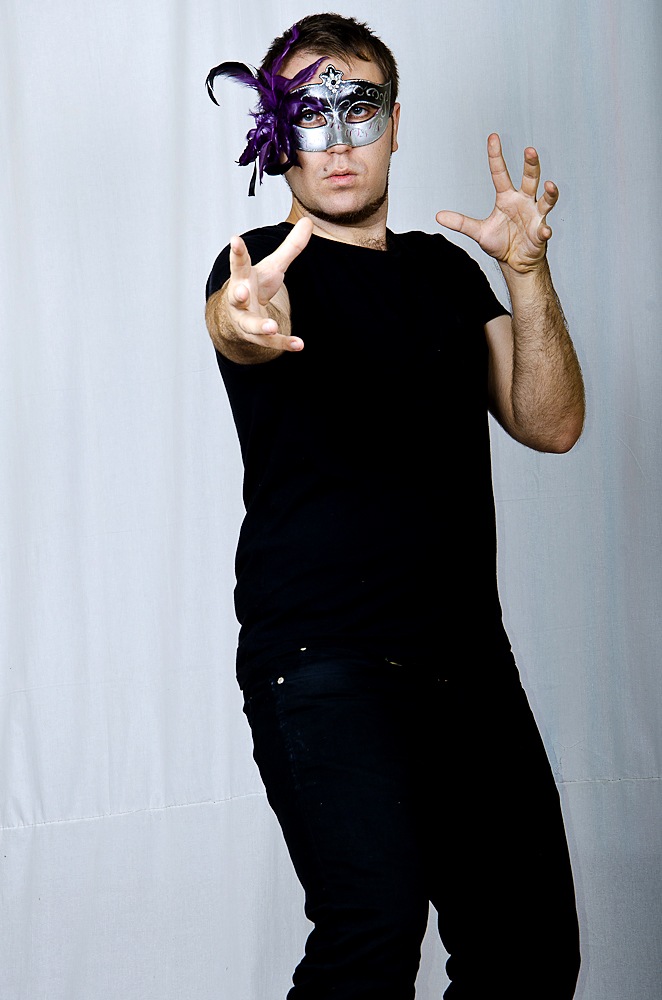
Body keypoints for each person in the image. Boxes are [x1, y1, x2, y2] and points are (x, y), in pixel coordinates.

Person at [204, 13, 585, 1000]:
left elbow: (550, 423)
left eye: (360, 109)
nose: (336, 140)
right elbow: (243, 322)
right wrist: (244, 319)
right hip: (324, 661)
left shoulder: (444, 272)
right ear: (277, 134)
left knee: (528, 952)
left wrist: (526, 275)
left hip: (470, 665)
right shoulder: (260, 263)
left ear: (396, 124)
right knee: (370, 934)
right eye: (308, 114)